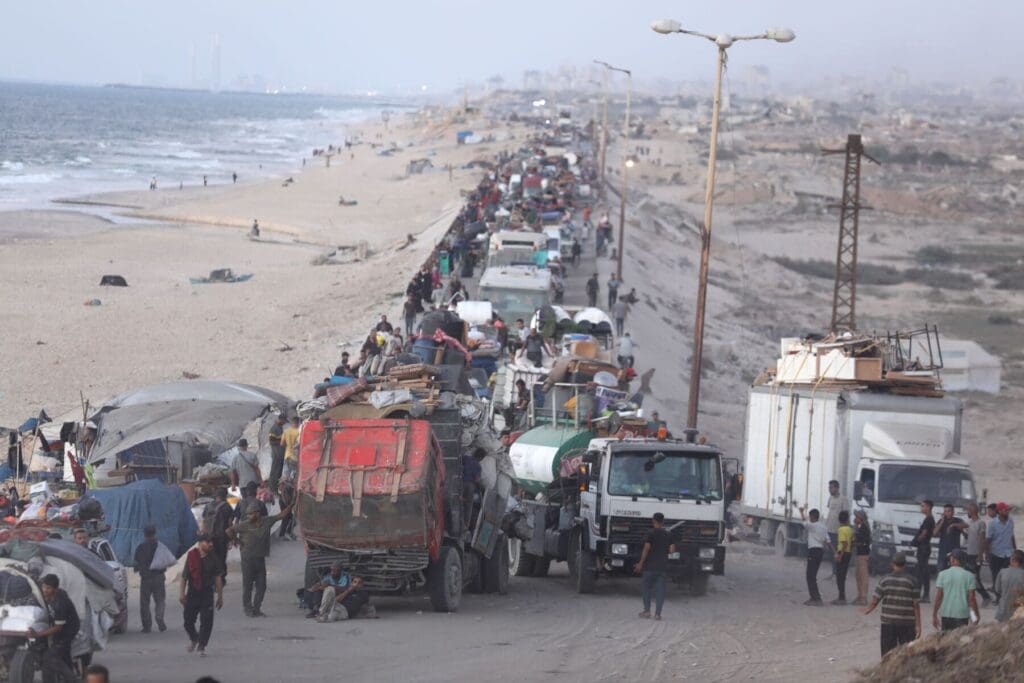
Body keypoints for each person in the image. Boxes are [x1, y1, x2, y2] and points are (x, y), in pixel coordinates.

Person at [228, 498, 294, 617]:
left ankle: (256, 608)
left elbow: (281, 515)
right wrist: (236, 541)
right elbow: (229, 530)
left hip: (260, 558)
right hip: (247, 559)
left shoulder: (267, 521)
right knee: (247, 585)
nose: (249, 516)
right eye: (248, 514)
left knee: (262, 586)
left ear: (258, 513)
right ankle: (248, 608)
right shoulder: (244, 525)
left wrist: (292, 504)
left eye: (251, 514)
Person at [861, 552, 920, 657]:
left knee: (887, 655)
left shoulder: (885, 580)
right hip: (907, 623)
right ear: (905, 564)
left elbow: (875, 600)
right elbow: (916, 605)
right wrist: (918, 625)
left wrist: (867, 609)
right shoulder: (912, 581)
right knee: (908, 655)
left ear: (892, 564)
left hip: (888, 623)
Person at [27, 574, 80, 682]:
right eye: (44, 587)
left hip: (68, 630)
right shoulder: (50, 595)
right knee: (64, 656)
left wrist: (37, 634)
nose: (45, 590)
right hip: (62, 627)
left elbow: (58, 628)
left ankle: (72, 679)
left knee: (50, 657)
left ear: (55, 589)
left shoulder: (61, 602)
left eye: (48, 588)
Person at [180, 534, 224, 656]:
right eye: (208, 542)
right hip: (193, 592)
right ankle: (194, 638)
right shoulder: (191, 556)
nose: (211, 544)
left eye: (211, 542)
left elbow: (218, 578)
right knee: (188, 621)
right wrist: (182, 594)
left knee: (207, 621)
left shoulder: (214, 558)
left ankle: (202, 646)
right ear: (200, 543)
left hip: (207, 593)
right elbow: (184, 577)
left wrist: (220, 597)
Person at [634, 512, 676, 620]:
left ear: (653, 521)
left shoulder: (650, 533)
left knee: (646, 588)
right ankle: (658, 614)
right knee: (660, 591)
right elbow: (672, 550)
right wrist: (664, 550)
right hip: (662, 567)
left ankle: (647, 611)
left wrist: (640, 563)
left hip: (649, 567)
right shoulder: (669, 534)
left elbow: (646, 549)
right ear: (663, 521)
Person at [306, 561, 373, 622]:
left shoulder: (363, 593)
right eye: (355, 582)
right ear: (352, 583)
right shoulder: (349, 591)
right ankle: (319, 611)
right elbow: (336, 600)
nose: (356, 584)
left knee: (332, 615)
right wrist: (318, 586)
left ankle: (324, 616)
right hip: (337, 604)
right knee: (323, 590)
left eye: (359, 583)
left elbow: (366, 606)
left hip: (344, 611)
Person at [933, 549, 978, 632]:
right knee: (960, 638)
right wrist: (975, 615)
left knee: (946, 638)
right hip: (962, 615)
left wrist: (934, 615)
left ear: (953, 560)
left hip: (946, 614)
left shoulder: (942, 574)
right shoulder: (970, 576)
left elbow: (939, 597)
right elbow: (971, 599)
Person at [133, 525, 167, 633]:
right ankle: (159, 616)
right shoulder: (160, 546)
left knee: (144, 603)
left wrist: (139, 568)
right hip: (159, 577)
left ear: (144, 534)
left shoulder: (141, 547)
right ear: (155, 533)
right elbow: (165, 560)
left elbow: (137, 561)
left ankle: (147, 627)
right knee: (160, 600)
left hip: (146, 578)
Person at [800, 506, 834, 606]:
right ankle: (815, 597)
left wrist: (801, 512)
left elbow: (804, 523)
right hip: (820, 551)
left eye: (810, 516)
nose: (809, 518)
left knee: (810, 575)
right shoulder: (823, 527)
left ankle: (815, 598)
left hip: (813, 550)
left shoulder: (813, 526)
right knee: (813, 575)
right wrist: (835, 552)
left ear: (812, 517)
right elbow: (828, 541)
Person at [962, 502, 992, 607]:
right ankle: (970, 599)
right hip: (969, 554)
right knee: (970, 578)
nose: (967, 512)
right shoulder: (970, 523)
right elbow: (969, 537)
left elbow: (982, 540)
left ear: (973, 511)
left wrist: (980, 555)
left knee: (974, 578)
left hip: (976, 555)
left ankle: (986, 597)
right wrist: (961, 531)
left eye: (968, 510)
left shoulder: (981, 523)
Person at [986, 502, 1017, 599]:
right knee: (996, 577)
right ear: (999, 511)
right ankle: (998, 597)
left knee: (1007, 577)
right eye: (1005, 510)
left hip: (1008, 554)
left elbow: (1012, 536)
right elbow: (988, 540)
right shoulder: (992, 523)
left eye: (1008, 510)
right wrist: (987, 554)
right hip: (996, 554)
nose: (1007, 511)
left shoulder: (1011, 521)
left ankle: (1005, 596)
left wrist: (1015, 550)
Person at [204, 488, 233, 584]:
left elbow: (204, 522)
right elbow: (230, 524)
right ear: (225, 496)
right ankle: (221, 579)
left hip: (209, 537)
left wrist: (204, 537)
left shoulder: (208, 506)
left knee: (211, 558)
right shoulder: (227, 506)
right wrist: (231, 539)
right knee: (221, 558)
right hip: (222, 538)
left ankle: (212, 579)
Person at [825, 480, 851, 577]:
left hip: (839, 531)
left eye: (831, 487)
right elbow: (830, 512)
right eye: (829, 487)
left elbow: (846, 515)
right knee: (832, 552)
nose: (829, 489)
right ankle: (834, 572)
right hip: (830, 529)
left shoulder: (843, 499)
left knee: (839, 551)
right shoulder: (830, 498)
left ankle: (839, 572)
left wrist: (845, 530)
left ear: (837, 488)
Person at [913, 499, 935, 602]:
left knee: (922, 572)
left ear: (928, 507)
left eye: (923, 506)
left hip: (924, 547)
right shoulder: (929, 518)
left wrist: (916, 541)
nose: (921, 508)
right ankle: (924, 594)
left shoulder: (928, 519)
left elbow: (924, 533)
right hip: (925, 547)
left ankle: (924, 595)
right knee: (922, 571)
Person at [993, 549, 1024, 622]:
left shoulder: (1002, 572)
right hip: (1019, 613)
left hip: (1003, 610)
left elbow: (997, 590)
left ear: (1012, 560)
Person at [934, 503, 966, 572]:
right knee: (941, 569)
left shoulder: (957, 520)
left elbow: (965, 525)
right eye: (945, 511)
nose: (947, 513)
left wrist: (953, 525)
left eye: (949, 511)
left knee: (955, 570)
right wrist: (942, 521)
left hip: (955, 550)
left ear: (953, 512)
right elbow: (934, 533)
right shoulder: (941, 521)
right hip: (943, 550)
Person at [833, 510, 853, 605]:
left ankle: (841, 598)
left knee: (839, 576)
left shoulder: (841, 530)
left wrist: (840, 555)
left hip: (843, 552)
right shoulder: (849, 529)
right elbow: (851, 542)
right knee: (843, 575)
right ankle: (842, 597)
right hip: (848, 553)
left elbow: (844, 544)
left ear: (839, 519)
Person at [853, 509, 872, 605]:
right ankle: (860, 595)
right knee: (858, 575)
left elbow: (864, 541)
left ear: (861, 518)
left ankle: (863, 597)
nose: (855, 518)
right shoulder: (861, 527)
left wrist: (855, 543)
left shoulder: (864, 528)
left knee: (863, 576)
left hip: (863, 554)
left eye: (856, 517)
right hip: (860, 554)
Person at [267, 414, 286, 490]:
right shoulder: (274, 428)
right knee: (274, 471)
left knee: (278, 472)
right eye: (284, 421)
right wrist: (281, 442)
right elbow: (271, 441)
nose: (284, 423)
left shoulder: (280, 427)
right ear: (281, 419)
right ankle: (272, 488)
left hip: (280, 454)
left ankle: (276, 488)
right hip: (276, 454)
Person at [281, 416, 301, 481]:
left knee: (286, 474)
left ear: (292, 423)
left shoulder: (286, 431)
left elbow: (282, 444)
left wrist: (288, 446)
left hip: (287, 455)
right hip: (295, 457)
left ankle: (284, 483)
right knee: (295, 475)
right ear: (298, 423)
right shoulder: (299, 432)